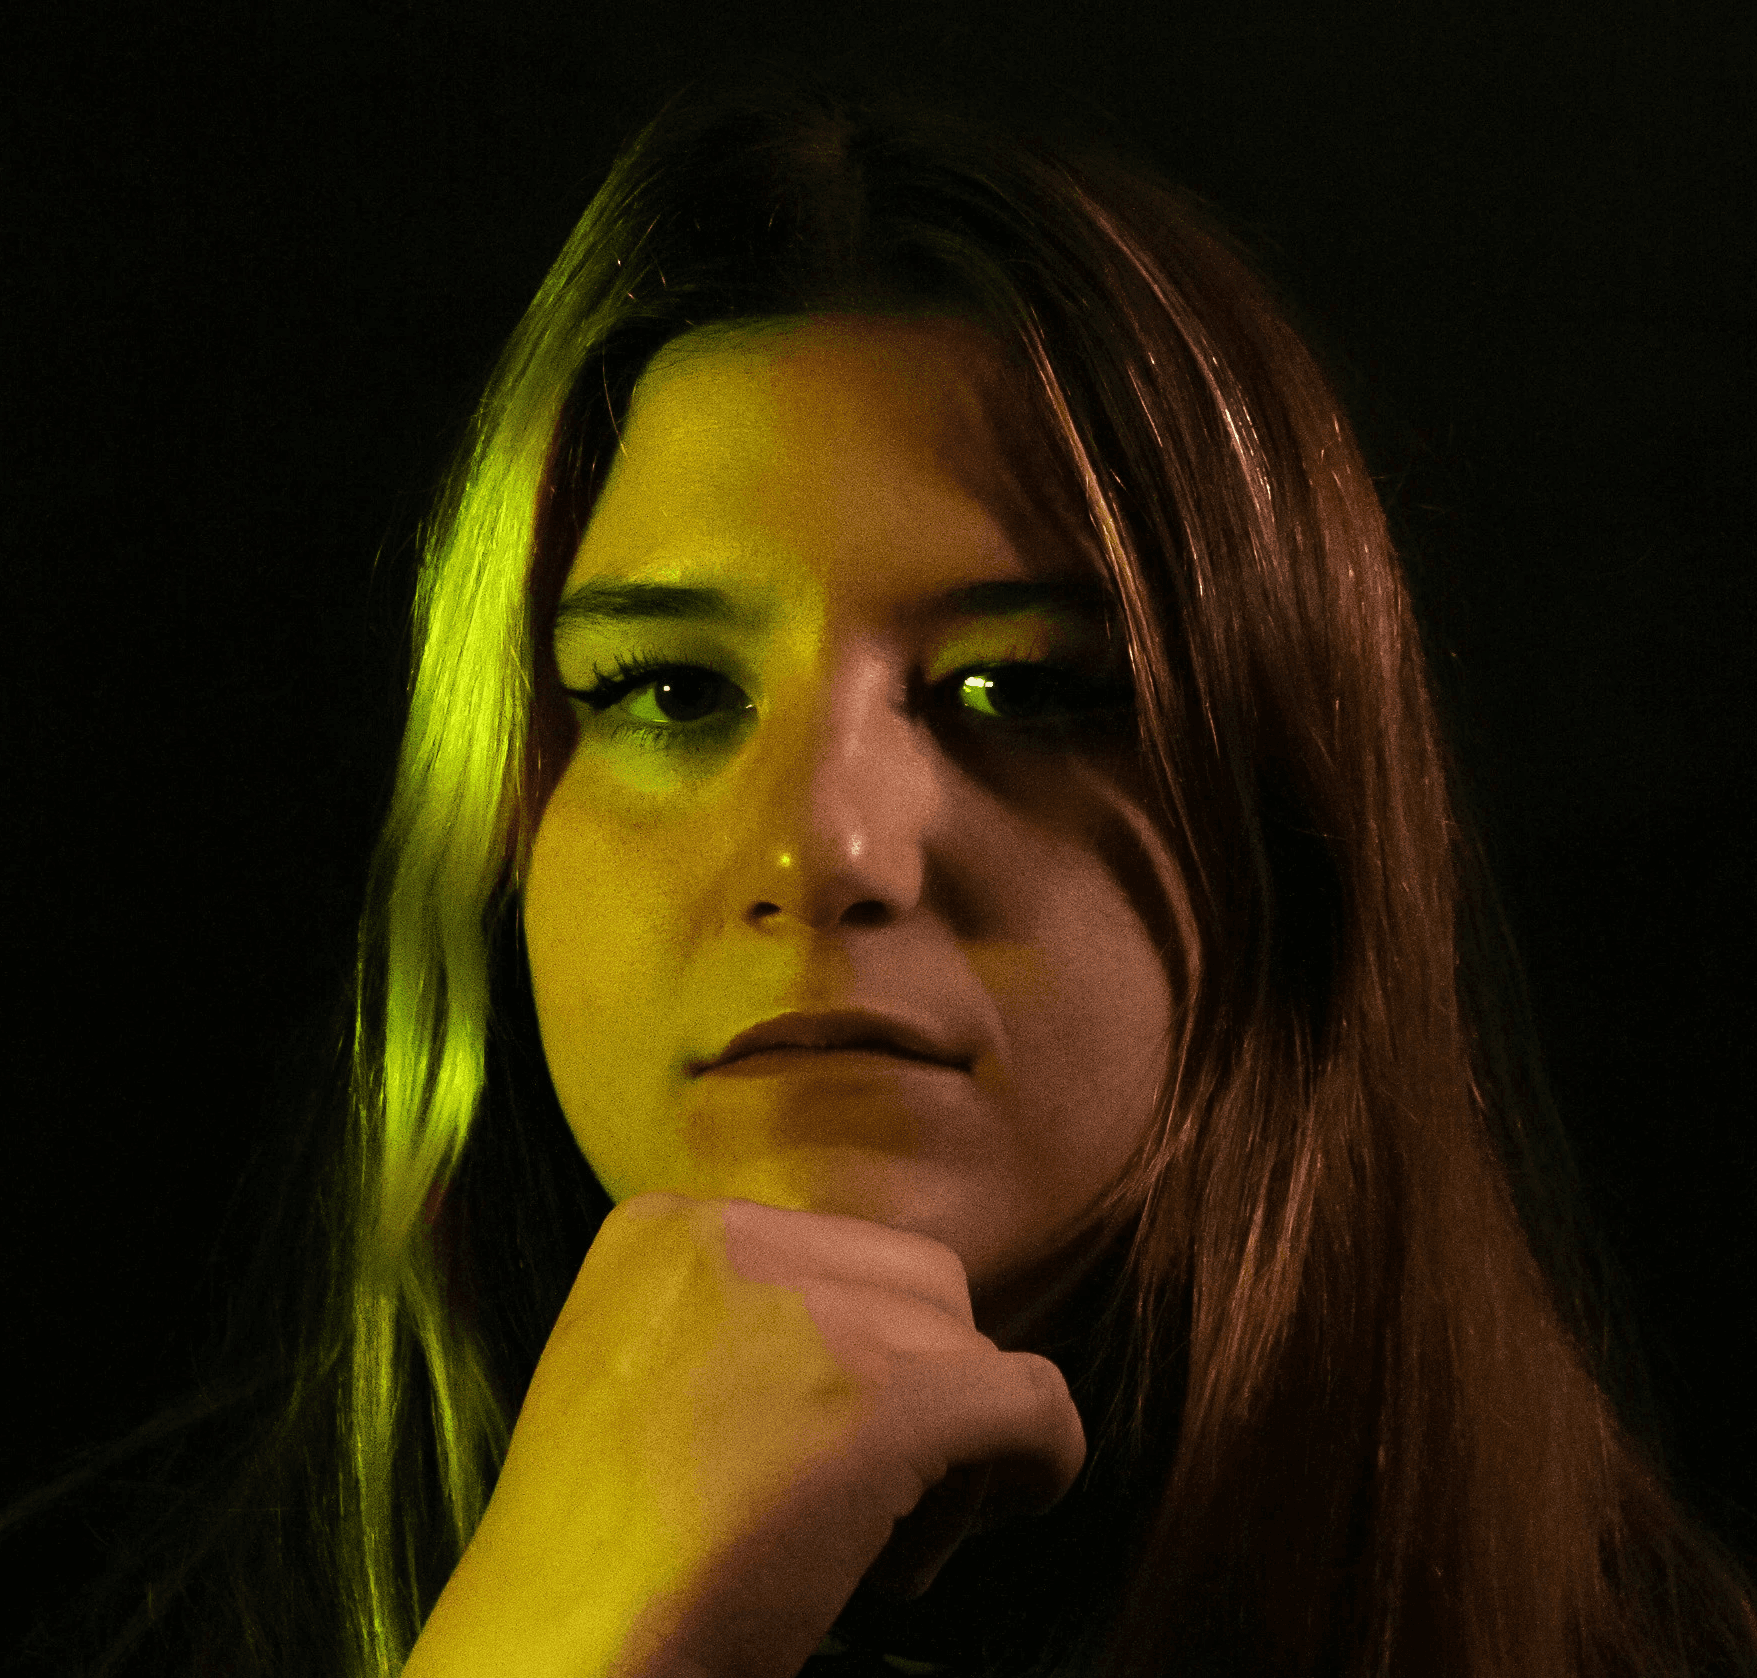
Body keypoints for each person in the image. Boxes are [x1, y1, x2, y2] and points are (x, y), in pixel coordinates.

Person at [8, 53, 1756, 1678]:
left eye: (1025, 689)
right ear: (498, 837)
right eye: (672, 691)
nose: (823, 845)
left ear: (1294, 836)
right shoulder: (103, 1612)